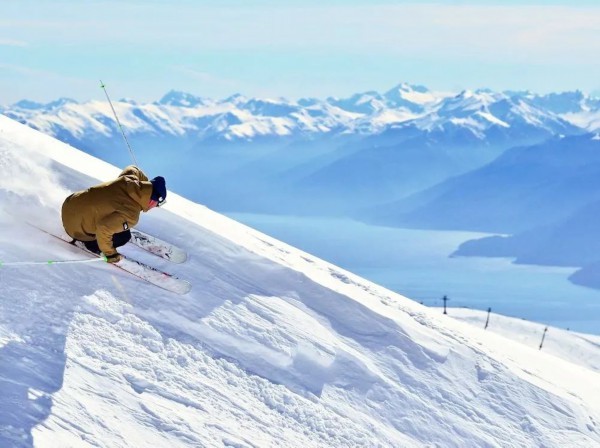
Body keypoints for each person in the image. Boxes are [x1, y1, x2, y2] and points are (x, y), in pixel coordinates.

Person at [61, 165, 166, 263]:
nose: (155, 207)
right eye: (158, 204)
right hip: (74, 229)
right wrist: (110, 255)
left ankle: (102, 228)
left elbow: (133, 168)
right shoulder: (132, 215)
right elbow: (103, 228)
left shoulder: (129, 179)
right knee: (124, 236)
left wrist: (145, 185)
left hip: (69, 203)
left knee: (110, 215)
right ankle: (89, 244)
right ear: (154, 200)